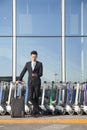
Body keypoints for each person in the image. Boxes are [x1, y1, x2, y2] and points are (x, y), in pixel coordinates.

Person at [17, 50, 43, 117]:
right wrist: (19, 79)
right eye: (32, 57)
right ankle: (38, 108)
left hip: (37, 82)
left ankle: (34, 113)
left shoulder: (40, 64)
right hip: (30, 83)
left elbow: (41, 73)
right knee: (30, 97)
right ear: (30, 56)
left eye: (35, 57)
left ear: (36, 56)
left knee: (36, 97)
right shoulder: (27, 64)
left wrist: (36, 74)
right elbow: (23, 71)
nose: (34, 58)